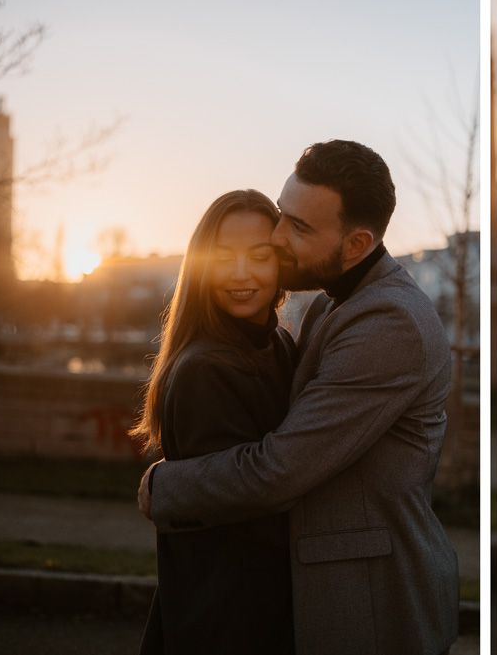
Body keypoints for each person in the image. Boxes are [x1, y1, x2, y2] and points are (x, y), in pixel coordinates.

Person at [138, 140, 459, 655]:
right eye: (284, 215)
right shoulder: (327, 308)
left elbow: (280, 470)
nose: (279, 236)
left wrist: (162, 487)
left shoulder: (388, 323)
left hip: (371, 596)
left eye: (299, 229)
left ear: (355, 245)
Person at [132, 190, 296, 654]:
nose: (240, 274)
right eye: (222, 258)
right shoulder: (206, 367)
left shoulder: (277, 345)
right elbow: (245, 502)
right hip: (228, 614)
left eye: (259, 257)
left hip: (255, 604)